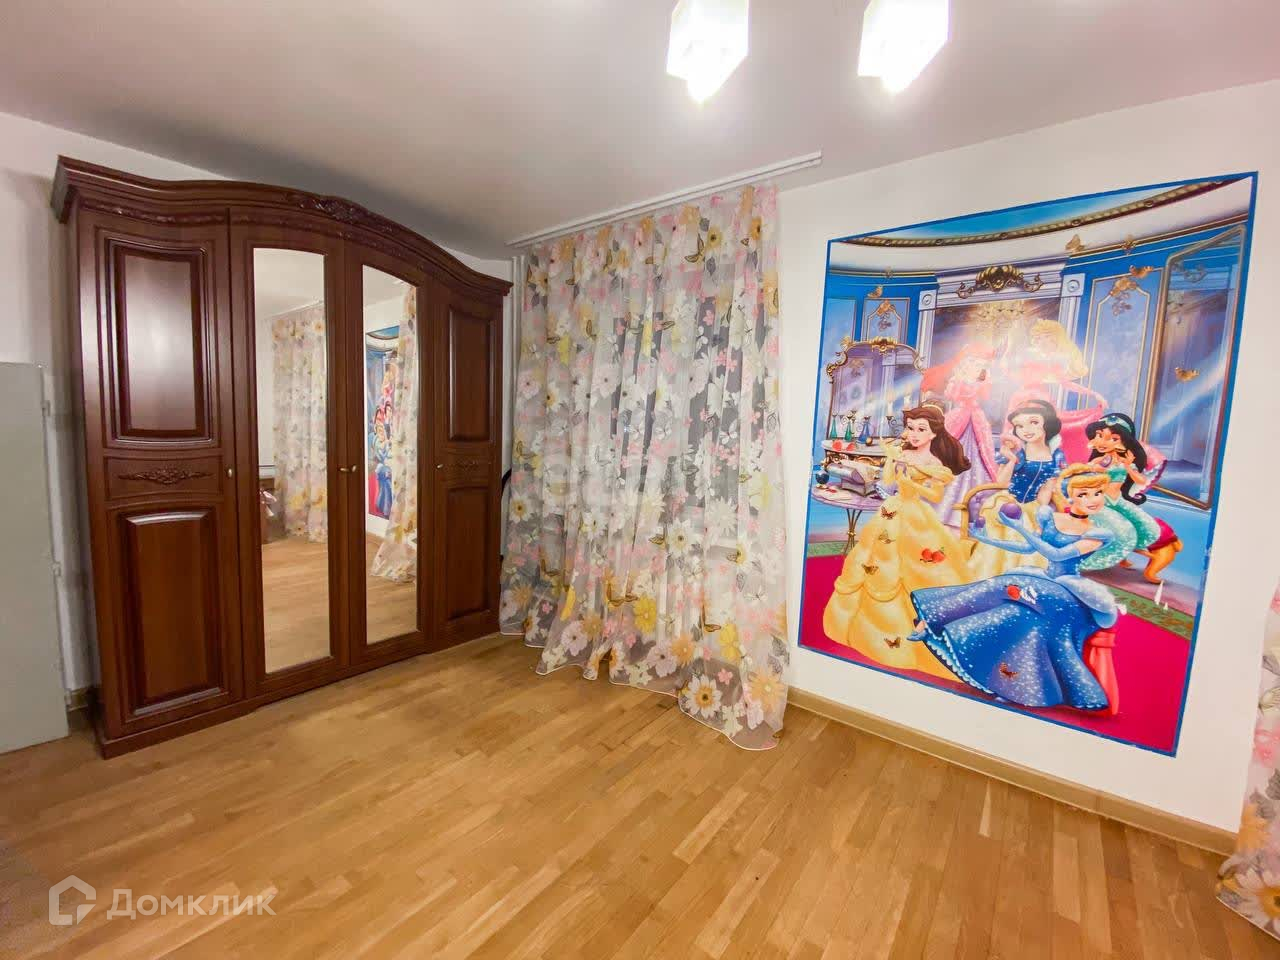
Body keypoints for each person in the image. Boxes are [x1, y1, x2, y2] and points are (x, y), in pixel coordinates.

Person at [906, 463, 1118, 710]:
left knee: (1004, 584)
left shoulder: (1097, 533)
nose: (1092, 500)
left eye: (1097, 493)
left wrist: (1018, 527)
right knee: (1015, 614)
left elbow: (1057, 555)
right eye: (1083, 494)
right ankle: (1004, 684)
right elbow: (1028, 548)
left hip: (1068, 594)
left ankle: (931, 618)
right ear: (1070, 495)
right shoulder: (1051, 517)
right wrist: (986, 539)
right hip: (1042, 584)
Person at [822, 404, 970, 677]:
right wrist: (892, 459)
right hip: (891, 509)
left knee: (917, 565)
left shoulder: (934, 463)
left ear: (934, 433)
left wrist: (911, 483)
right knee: (874, 559)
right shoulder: (904, 453)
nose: (914, 433)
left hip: (915, 515)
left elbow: (935, 496)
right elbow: (889, 481)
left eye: (921, 429)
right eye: (911, 428)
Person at [967, 398, 1067, 578]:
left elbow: (1047, 488)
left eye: (1033, 422)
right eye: (1019, 426)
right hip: (1007, 499)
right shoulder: (1017, 453)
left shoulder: (1056, 456)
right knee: (1010, 518)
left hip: (1034, 504)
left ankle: (1020, 576)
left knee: (1029, 527)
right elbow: (1000, 483)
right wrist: (1012, 460)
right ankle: (994, 572)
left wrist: (1039, 510)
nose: (1026, 430)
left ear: (1047, 424)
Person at [1003, 319, 1105, 463]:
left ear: (1055, 339)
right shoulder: (1027, 355)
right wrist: (1010, 344)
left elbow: (1066, 383)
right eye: (1039, 337)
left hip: (1041, 399)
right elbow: (1008, 369)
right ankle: (1015, 464)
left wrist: (1093, 394)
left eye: (1047, 337)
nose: (1042, 341)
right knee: (1014, 431)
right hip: (1022, 397)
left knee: (1045, 432)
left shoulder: (1054, 361)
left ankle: (1041, 464)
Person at [922, 343, 996, 527]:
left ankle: (971, 505)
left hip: (975, 418)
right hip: (961, 415)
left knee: (979, 452)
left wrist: (979, 381)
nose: (976, 366)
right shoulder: (959, 379)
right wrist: (962, 381)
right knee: (947, 449)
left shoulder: (983, 379)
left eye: (979, 363)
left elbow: (985, 396)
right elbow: (951, 395)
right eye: (973, 362)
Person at [1078, 412, 1162, 572]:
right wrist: (1093, 469)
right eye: (1099, 435)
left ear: (1124, 441)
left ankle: (1122, 556)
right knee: (1124, 533)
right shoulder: (1098, 461)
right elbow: (1085, 476)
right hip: (1100, 502)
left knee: (1148, 528)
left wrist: (1128, 466)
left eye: (1113, 438)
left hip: (1117, 500)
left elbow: (1140, 480)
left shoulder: (1125, 461)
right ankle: (1085, 562)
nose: (1103, 442)